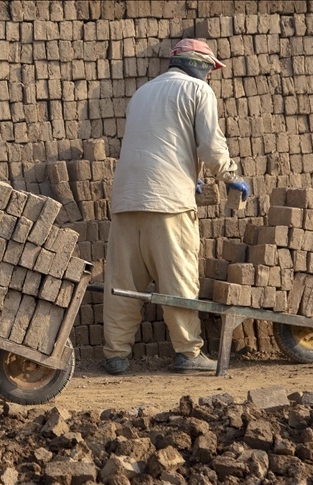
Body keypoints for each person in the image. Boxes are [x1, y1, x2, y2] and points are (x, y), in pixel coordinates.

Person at [102, 39, 251, 375]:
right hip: (169, 203)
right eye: (210, 70)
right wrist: (231, 177)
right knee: (178, 280)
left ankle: (115, 354)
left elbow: (158, 142)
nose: (210, 77)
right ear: (200, 65)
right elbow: (211, 147)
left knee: (124, 283)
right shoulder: (198, 91)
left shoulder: (142, 93)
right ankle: (187, 352)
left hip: (126, 198)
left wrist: (190, 176)